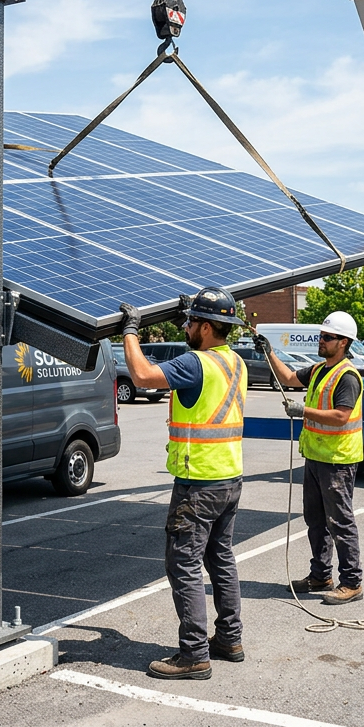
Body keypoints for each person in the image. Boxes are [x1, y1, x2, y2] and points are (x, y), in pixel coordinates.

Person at [119, 287, 248, 680]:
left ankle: (194, 653)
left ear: (207, 327)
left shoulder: (195, 364)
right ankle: (229, 638)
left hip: (199, 484)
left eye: (193, 322)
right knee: (220, 559)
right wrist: (186, 320)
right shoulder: (235, 361)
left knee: (185, 565)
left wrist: (131, 330)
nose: (187, 326)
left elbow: (142, 375)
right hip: (229, 478)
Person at [256, 311, 364, 605]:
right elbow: (289, 377)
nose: (322, 340)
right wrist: (269, 352)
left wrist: (302, 411)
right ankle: (321, 575)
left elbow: (341, 417)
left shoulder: (347, 377)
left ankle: (352, 582)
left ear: (343, 343)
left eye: (327, 337)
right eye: (321, 335)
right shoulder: (319, 370)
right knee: (315, 520)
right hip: (317, 458)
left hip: (338, 461)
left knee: (340, 522)